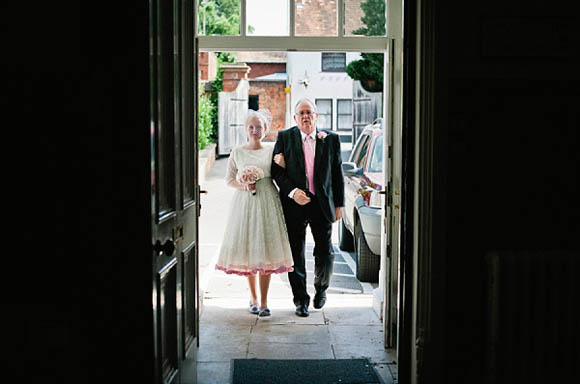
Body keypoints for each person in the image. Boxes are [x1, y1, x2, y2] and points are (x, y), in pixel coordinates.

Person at [215, 109, 294, 317]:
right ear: (245, 129)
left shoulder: (271, 151)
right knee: (249, 250)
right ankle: (253, 298)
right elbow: (229, 180)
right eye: (251, 127)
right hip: (245, 204)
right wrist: (244, 186)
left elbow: (280, 174)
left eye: (259, 127)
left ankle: (265, 302)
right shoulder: (237, 152)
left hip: (268, 201)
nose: (255, 130)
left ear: (265, 129)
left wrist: (283, 164)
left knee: (266, 251)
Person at [272, 98, 345, 317]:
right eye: (301, 113)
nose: (305, 116)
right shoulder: (285, 137)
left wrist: (339, 204)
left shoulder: (330, 139)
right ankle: (300, 300)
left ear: (316, 116)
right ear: (295, 118)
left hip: (322, 204)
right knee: (295, 253)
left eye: (309, 113)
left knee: (325, 251)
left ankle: (321, 288)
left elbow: (337, 174)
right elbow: (276, 172)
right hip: (295, 205)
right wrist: (294, 193)